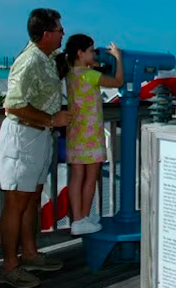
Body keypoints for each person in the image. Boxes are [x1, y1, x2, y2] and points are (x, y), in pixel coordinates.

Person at [0, 9, 71, 288]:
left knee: (32, 197)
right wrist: (53, 119)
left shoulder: (47, 58)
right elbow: (13, 105)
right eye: (60, 29)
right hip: (23, 136)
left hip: (39, 135)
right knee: (16, 202)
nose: (63, 32)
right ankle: (9, 266)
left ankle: (28, 254)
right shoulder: (29, 62)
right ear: (46, 34)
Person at [57, 35, 124, 235]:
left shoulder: (71, 72)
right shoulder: (90, 75)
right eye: (92, 50)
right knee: (92, 175)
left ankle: (77, 220)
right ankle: (84, 217)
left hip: (75, 131)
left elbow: (87, 67)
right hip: (92, 132)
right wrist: (118, 58)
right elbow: (118, 81)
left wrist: (93, 62)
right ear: (80, 53)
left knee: (77, 175)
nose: (95, 54)